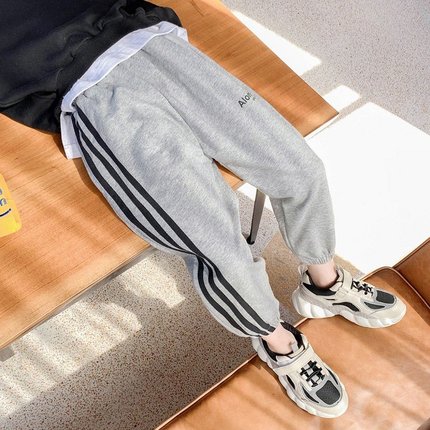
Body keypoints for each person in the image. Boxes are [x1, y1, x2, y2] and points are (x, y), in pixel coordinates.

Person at [0, 0, 406, 419]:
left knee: (300, 169)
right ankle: (277, 341)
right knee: (214, 241)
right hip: (96, 93)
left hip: (152, 42)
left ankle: (324, 282)